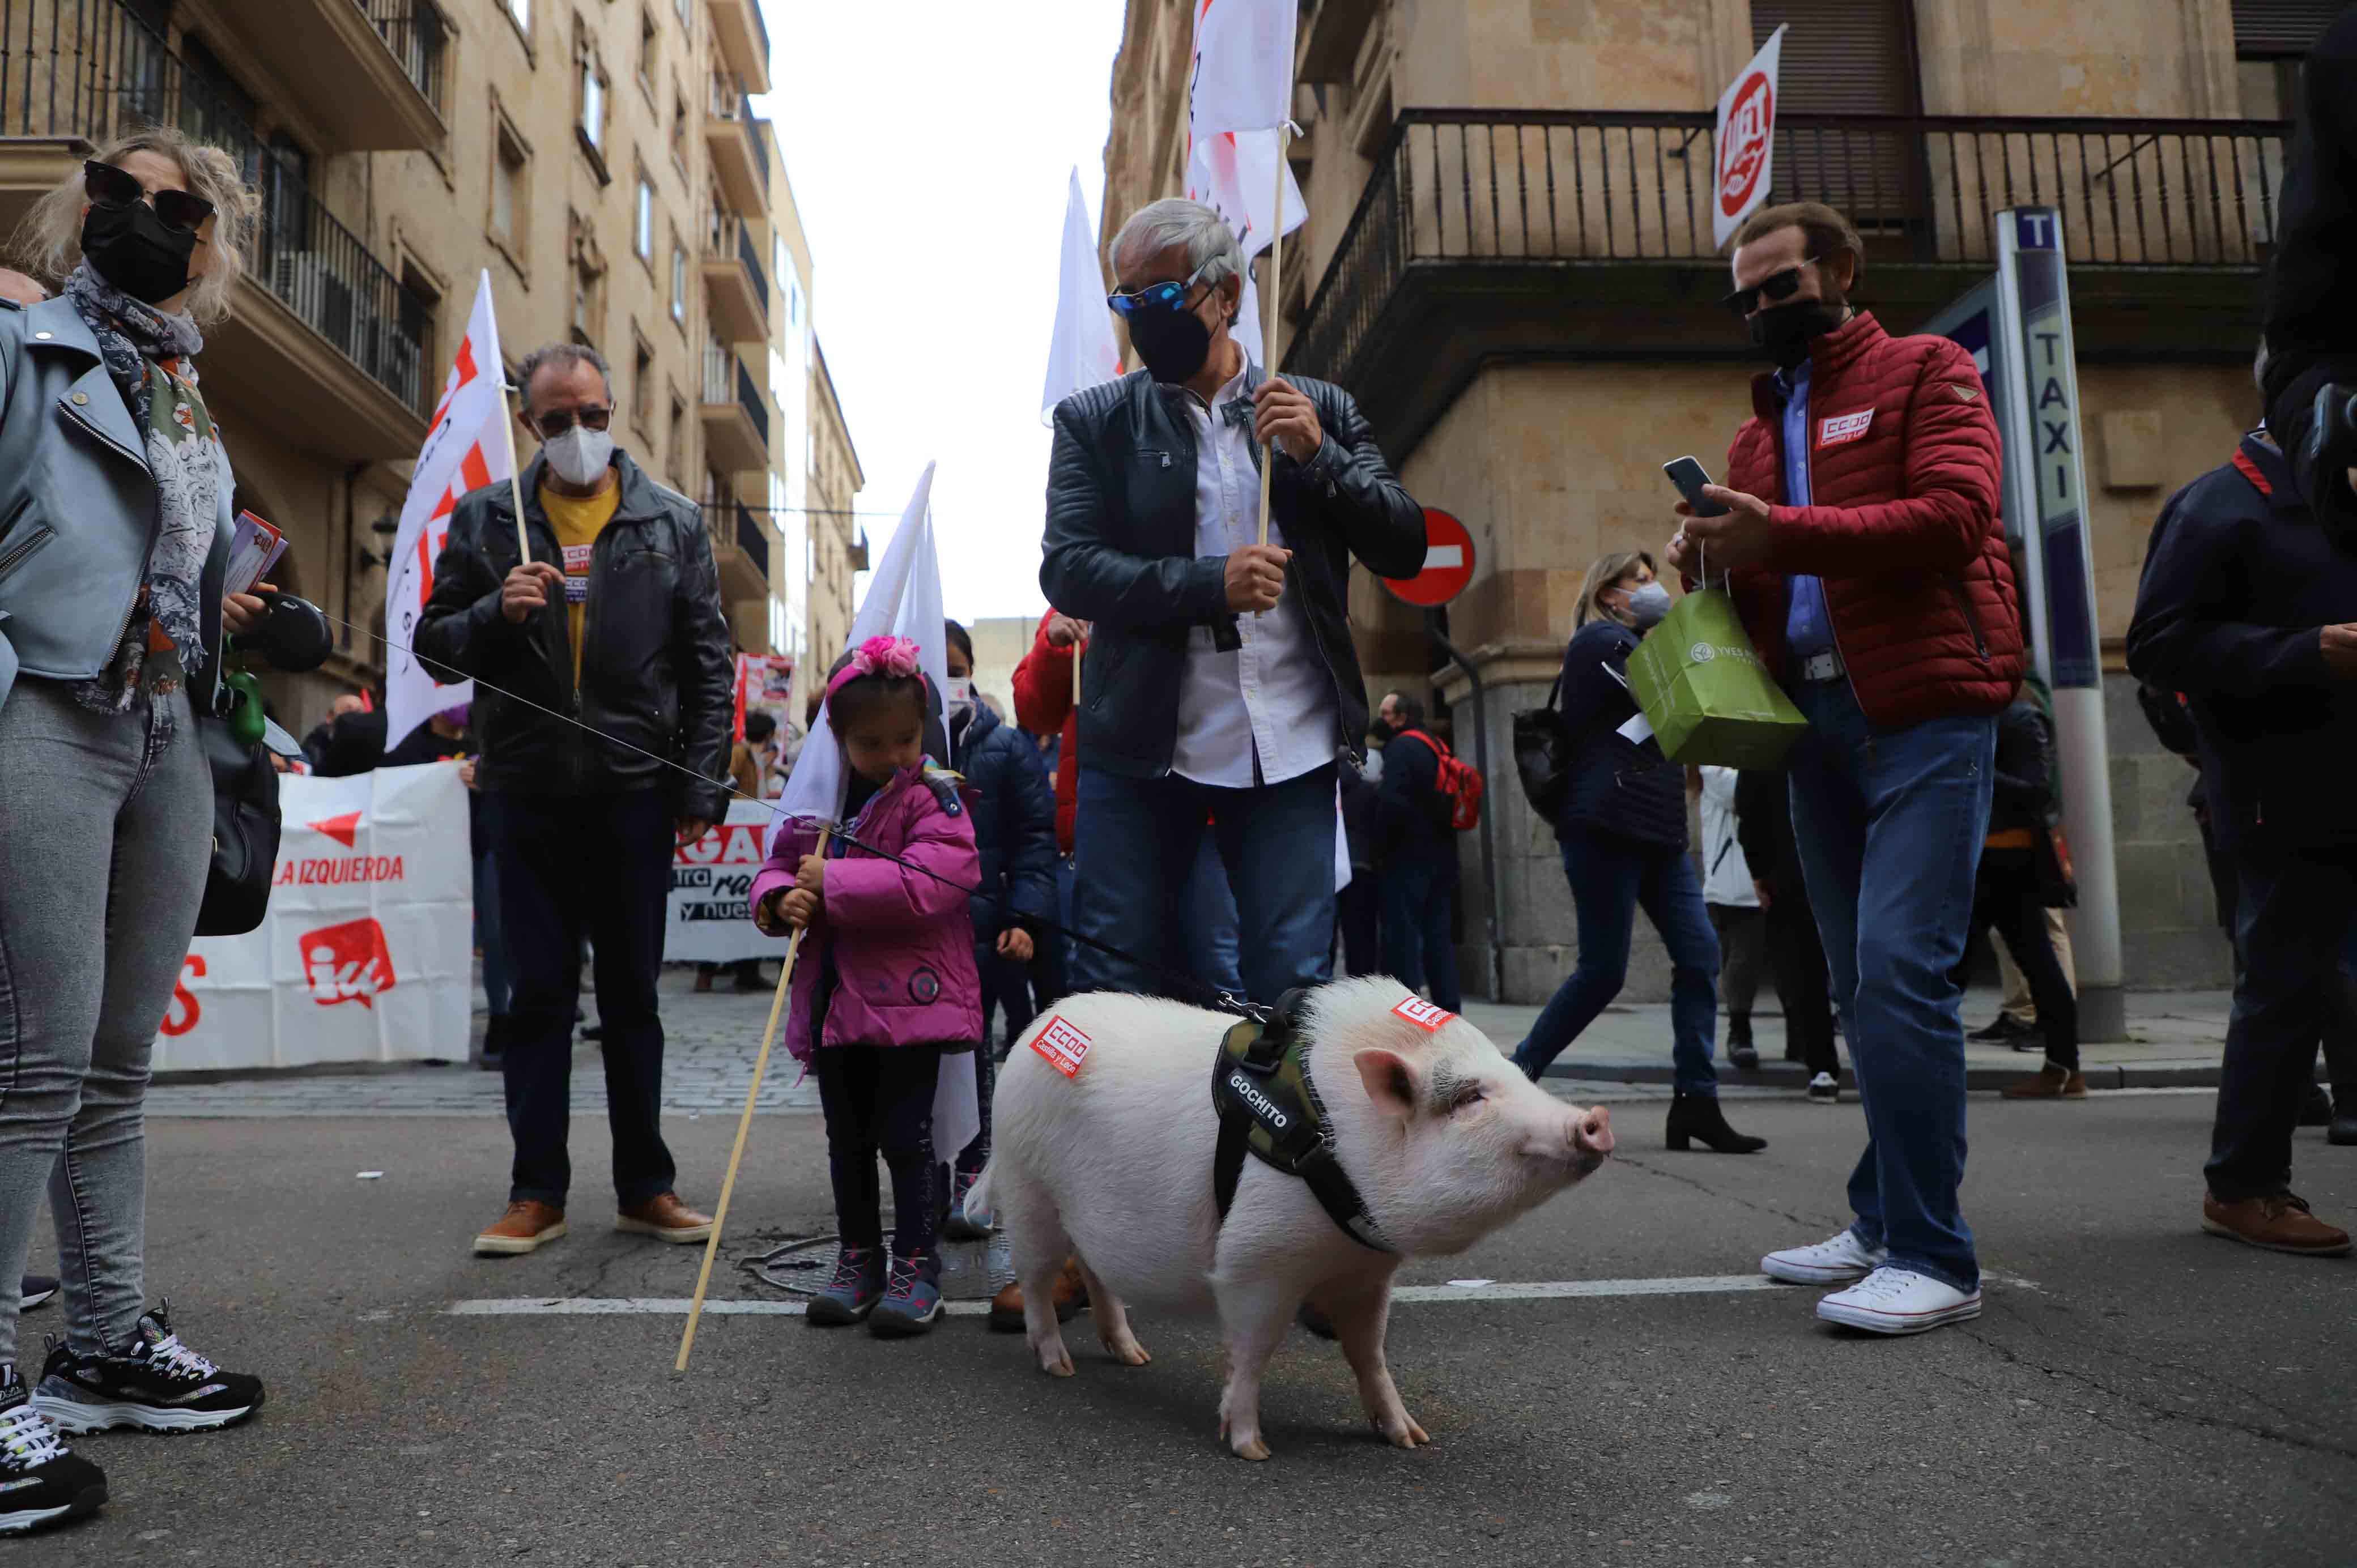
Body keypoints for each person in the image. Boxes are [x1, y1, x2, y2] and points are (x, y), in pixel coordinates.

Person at [0, 129, 317, 1531]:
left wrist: (227, 619)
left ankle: (104, 1339)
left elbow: (162, 556)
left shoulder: (186, 386)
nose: (139, 215)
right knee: (33, 1053)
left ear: (210, 238)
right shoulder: (28, 351)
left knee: (119, 1058)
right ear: (83, 214)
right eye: (114, 193)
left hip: (165, 724)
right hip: (49, 708)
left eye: (173, 202)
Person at [1669, 201, 2023, 1333]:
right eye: (1744, 298)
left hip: (1924, 713)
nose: (1762, 309)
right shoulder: (1754, 432)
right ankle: (1882, 1219)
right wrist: (1708, 559)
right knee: (1857, 988)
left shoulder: (1930, 370)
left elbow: (1958, 517)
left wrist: (1783, 531)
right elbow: (1763, 572)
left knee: (1897, 976)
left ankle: (1934, 1254)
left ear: (1841, 271)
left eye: (1780, 285)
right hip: (1811, 722)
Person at [1041, 198, 1426, 1006]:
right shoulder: (1094, 423)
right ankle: (1123, 1139)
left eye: (1161, 295)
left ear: (1224, 295)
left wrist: (1320, 457)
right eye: (1128, 299)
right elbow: (1069, 572)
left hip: (1288, 744)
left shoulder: (1319, 406)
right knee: (1117, 975)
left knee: (1295, 985)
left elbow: (1405, 546)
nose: (1142, 316)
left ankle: (1279, 1134)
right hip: (1145, 746)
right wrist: (1207, 584)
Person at [416, 340, 730, 1259]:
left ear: (614, 409)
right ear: (529, 422)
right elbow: (435, 647)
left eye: (593, 415)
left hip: (634, 793)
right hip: (527, 789)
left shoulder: (671, 522)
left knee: (634, 996)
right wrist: (493, 613)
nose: (580, 434)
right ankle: (535, 1192)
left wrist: (701, 782)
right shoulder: (487, 518)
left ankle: (648, 1186)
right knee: (538, 997)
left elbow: (708, 663)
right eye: (559, 421)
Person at [2126, 414, 2355, 1256]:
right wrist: (2305, 652)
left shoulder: (2337, 502)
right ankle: (2245, 1185)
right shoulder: (2218, 508)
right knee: (2286, 982)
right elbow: (2157, 645)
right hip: (2283, 789)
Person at [750, 638, 983, 1336]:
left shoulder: (934, 796)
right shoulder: (815, 804)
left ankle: (918, 1263)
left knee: (906, 1137)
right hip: (834, 1003)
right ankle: (859, 1258)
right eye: (871, 743)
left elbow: (936, 880)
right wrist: (779, 897)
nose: (893, 755)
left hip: (909, 1006)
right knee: (845, 1137)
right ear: (839, 739)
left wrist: (834, 883)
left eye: (906, 738)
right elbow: (777, 864)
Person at [1507, 553, 1762, 1155]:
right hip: (1603, 826)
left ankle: (1695, 1102)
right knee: (1602, 971)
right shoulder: (1599, 642)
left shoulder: (1639, 643)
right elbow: (1674, 696)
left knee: (1699, 958)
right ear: (1609, 593)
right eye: (1642, 581)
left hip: (1658, 833)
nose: (1653, 591)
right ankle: (1514, 1079)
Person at [941, 619, 1056, 1240]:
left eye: (956, 666)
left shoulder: (1008, 748)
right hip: (918, 935)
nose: (947, 678)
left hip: (989, 934)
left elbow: (1034, 842)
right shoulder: (899, 746)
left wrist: (1024, 919)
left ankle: (975, 1171)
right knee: (931, 1061)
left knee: (979, 1054)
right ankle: (929, 1174)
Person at [1968, 679, 2082, 1100]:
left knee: (1959, 964)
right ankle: (2065, 1068)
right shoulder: (1991, 719)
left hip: (2007, 860)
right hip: (1988, 858)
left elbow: (2036, 790)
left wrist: (1978, 767)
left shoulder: (2022, 717)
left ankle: (2065, 1068)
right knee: (2032, 960)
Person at [1734, 768, 1842, 1100]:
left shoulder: (1769, 742)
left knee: (1806, 975)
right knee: (1857, 968)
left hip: (1792, 874)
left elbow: (1750, 815)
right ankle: (1875, 1062)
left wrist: (1761, 873)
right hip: (1845, 867)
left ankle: (1822, 1067)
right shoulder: (1845, 724)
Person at [1372, 691, 1463, 1012]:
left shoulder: (1401, 748)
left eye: (1385, 714)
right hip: (1443, 854)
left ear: (1401, 717)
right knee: (1439, 937)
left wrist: (1379, 846)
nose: (1380, 721)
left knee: (1403, 937)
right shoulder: (1436, 745)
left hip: (1407, 856)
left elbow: (1391, 804)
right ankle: (1449, 1007)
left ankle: (1405, 1008)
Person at [1695, 765, 1764, 1070]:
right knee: (1740, 960)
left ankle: (1799, 1038)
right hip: (1731, 883)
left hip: (1754, 879)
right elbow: (1742, 794)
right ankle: (1739, 1031)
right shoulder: (1713, 766)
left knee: (1784, 959)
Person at [1335, 746, 1384, 977]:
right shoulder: (1369, 791)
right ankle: (1360, 982)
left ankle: (1321, 987)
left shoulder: (1325, 791)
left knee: (1324, 934)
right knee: (1361, 933)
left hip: (1330, 868)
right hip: (1362, 867)